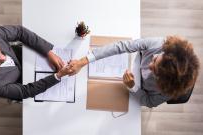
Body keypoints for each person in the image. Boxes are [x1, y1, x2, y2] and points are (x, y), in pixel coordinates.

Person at [68, 36, 199, 107]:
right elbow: (123, 46)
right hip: (132, 62)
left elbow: (149, 102)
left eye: (154, 69)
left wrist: (133, 87)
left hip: (134, 90)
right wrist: (82, 62)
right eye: (157, 58)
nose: (150, 62)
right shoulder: (160, 44)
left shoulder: (168, 90)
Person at [0, 25, 72, 100]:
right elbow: (25, 91)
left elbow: (20, 31)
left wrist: (48, 52)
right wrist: (58, 76)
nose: (3, 58)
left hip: (26, 55)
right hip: (22, 81)